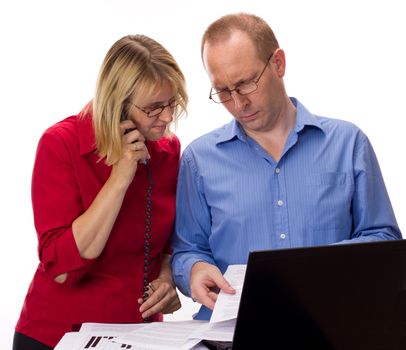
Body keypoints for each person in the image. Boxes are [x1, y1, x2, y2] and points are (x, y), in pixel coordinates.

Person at [171, 13, 402, 321]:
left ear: (278, 64)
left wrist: (321, 267)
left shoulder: (349, 144)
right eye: (223, 91)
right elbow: (187, 251)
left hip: (332, 327)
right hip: (233, 334)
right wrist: (195, 270)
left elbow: (384, 239)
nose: (238, 104)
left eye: (245, 84)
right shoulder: (198, 160)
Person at [13, 34, 188, 349]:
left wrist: (167, 276)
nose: (167, 117)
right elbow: (62, 271)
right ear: (118, 105)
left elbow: (169, 240)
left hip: (138, 336)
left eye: (172, 103)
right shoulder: (60, 144)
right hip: (59, 336)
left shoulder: (168, 150)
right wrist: (119, 178)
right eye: (154, 108)